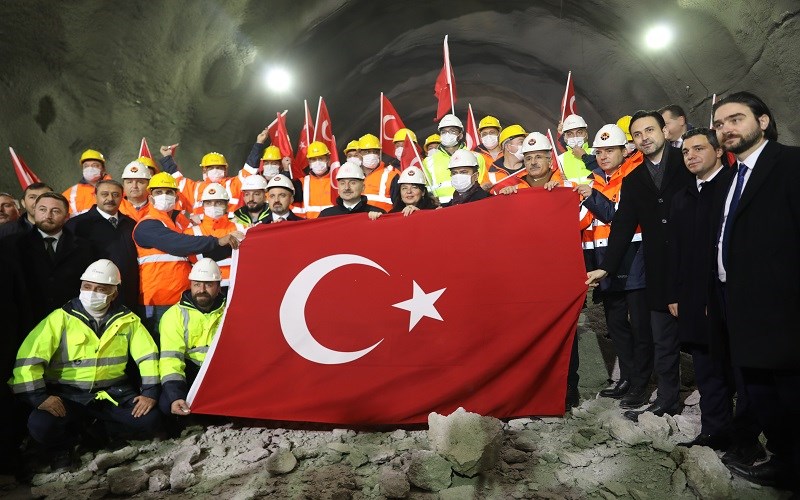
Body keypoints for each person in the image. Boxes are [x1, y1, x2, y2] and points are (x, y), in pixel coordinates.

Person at [709, 92, 800, 493]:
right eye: (719, 124)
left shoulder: (791, 164)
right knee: (761, 391)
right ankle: (785, 462)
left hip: (783, 304)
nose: (726, 129)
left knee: (792, 391)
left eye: (735, 119)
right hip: (739, 302)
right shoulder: (732, 177)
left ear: (762, 122)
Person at [586, 110, 694, 420]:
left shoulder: (687, 163)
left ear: (664, 131)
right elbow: (621, 226)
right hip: (658, 267)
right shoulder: (634, 181)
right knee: (662, 338)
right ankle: (668, 398)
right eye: (638, 133)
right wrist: (606, 267)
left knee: (703, 336)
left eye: (650, 130)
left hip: (693, 260)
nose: (644, 137)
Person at [10, 260, 160, 469]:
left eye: (101, 289)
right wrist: (39, 397)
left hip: (112, 395)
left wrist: (150, 392)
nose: (92, 292)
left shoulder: (129, 320)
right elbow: (29, 360)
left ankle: (102, 433)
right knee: (40, 425)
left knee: (150, 419)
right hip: (67, 395)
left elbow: (148, 357)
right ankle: (65, 446)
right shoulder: (59, 319)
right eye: (87, 286)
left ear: (114, 294)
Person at [666, 127, 745, 453]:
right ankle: (715, 432)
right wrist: (674, 294)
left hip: (731, 297)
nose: (691, 156)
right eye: (686, 151)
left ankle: (746, 440)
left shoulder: (733, 189)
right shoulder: (682, 197)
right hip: (695, 298)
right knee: (708, 370)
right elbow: (675, 250)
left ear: (717, 151)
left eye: (699, 149)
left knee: (741, 373)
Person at [577, 124, 652, 403]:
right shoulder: (593, 180)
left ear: (625, 150)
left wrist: (590, 195)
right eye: (599, 151)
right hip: (605, 261)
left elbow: (615, 217)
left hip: (633, 258)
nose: (604, 156)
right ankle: (627, 379)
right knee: (616, 324)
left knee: (640, 327)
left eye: (610, 150)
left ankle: (642, 384)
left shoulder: (634, 176)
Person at [132, 173, 241, 338]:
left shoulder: (176, 223)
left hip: (182, 300)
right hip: (157, 304)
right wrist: (218, 241)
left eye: (169, 192)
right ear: (151, 197)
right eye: (159, 192)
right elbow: (180, 243)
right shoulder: (147, 225)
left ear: (176, 197)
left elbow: (199, 252)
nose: (164, 196)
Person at [0, 192, 95, 331]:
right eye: (42, 209)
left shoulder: (84, 247)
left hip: (70, 325)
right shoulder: (11, 245)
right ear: (34, 211)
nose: (48, 215)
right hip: (25, 325)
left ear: (66, 216)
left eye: (55, 211)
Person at [158, 259, 225, 418]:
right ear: (190, 285)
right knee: (166, 405)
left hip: (221, 373)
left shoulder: (231, 310)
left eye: (208, 285)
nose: (201, 290)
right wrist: (176, 395)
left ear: (218, 287)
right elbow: (171, 359)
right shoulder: (174, 315)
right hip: (190, 372)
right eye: (197, 284)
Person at [66, 180, 139, 311]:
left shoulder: (131, 224)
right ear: (95, 196)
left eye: (115, 195)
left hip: (129, 295)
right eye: (104, 194)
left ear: (122, 197)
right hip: (95, 298)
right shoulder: (77, 225)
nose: (110, 198)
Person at [184, 183, 244, 288]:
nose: (213, 206)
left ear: (227, 205)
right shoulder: (190, 232)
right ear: (203, 206)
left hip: (236, 287)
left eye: (219, 202)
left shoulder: (242, 228)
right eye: (209, 203)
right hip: (205, 291)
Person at [423, 114, 487, 204]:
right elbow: (424, 189)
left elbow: (483, 184)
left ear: (460, 135)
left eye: (453, 131)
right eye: (444, 132)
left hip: (470, 204)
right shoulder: (428, 161)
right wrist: (430, 199)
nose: (447, 134)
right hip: (440, 210)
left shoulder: (476, 157)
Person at [497, 132, 564, 193]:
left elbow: (573, 189)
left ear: (550, 161)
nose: (533, 162)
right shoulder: (517, 190)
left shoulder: (562, 181)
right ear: (525, 163)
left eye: (538, 157)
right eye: (528, 159)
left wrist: (561, 188)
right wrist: (506, 198)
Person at [319, 163, 386, 218]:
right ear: (338, 188)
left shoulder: (378, 214)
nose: (347, 187)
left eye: (352, 183)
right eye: (342, 183)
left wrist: (379, 221)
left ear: (363, 187)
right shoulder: (326, 215)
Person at [62, 149, 111, 216]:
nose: (90, 169)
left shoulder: (116, 189)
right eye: (86, 166)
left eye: (95, 165)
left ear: (103, 169)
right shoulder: (69, 194)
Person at [358, 133, 399, 212]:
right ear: (359, 153)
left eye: (375, 152)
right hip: (358, 221)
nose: (372, 155)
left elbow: (398, 205)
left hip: (384, 221)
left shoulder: (391, 175)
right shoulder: (353, 176)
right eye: (367, 152)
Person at [295, 141, 335, 219]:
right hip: (310, 227)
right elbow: (296, 210)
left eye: (321, 158)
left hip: (333, 225)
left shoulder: (337, 181)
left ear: (328, 159)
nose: (317, 162)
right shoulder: (301, 183)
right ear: (309, 161)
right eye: (313, 159)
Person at [558, 114, 594, 184]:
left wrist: (584, 156)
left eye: (579, 132)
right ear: (565, 137)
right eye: (570, 134)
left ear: (586, 134)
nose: (575, 137)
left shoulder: (597, 152)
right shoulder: (560, 159)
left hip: (595, 194)